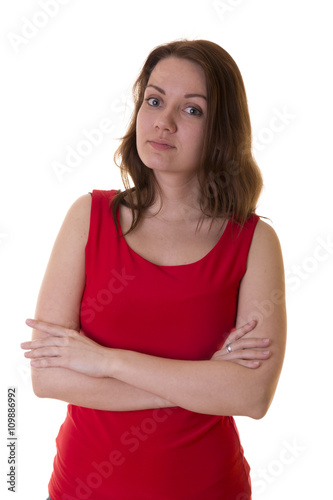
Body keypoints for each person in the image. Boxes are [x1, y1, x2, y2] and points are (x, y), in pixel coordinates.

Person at [21, 39, 287, 500]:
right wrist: (202, 381)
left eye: (192, 110)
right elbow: (48, 378)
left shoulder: (254, 242)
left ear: (221, 129)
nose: (163, 121)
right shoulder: (88, 217)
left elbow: (250, 396)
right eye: (155, 99)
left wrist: (105, 362)